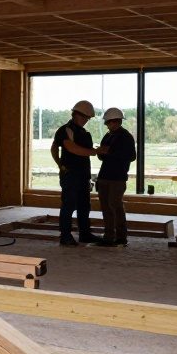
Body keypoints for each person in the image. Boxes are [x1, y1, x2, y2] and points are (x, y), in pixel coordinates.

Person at [50, 100, 102, 246]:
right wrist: (60, 164)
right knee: (69, 204)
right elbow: (71, 148)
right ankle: (65, 236)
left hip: (83, 175)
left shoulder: (84, 132)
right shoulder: (66, 130)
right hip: (71, 175)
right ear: (77, 114)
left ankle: (85, 234)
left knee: (84, 206)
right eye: (85, 117)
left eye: (88, 118)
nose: (87, 120)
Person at [95, 107, 136, 246]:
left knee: (115, 206)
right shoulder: (108, 136)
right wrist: (102, 152)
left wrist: (109, 153)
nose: (107, 125)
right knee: (106, 207)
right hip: (105, 176)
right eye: (107, 123)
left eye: (109, 122)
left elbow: (132, 156)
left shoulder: (126, 137)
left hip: (117, 177)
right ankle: (109, 236)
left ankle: (121, 237)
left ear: (117, 121)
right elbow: (102, 155)